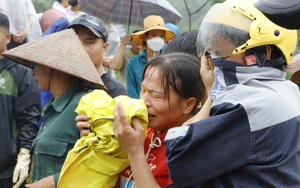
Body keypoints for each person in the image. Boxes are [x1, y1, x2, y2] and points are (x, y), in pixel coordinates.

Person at [164, 0, 300, 187]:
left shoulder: (251, 105)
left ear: (264, 54)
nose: (214, 61)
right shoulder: (288, 90)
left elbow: (178, 154)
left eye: (222, 53)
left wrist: (211, 93)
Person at [3, 29, 104, 188]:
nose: (33, 71)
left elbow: (99, 167)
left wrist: (53, 182)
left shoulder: (84, 106)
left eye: (37, 65)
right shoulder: (51, 109)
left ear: (53, 67)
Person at [113, 52, 206, 188]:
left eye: (156, 96)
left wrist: (134, 152)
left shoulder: (189, 149)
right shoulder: (140, 131)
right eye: (143, 90)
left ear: (188, 105)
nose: (144, 101)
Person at [0, 13, 41, 188]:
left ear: (7, 37)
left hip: (7, 169)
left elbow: (29, 119)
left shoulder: (21, 73)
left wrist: (24, 153)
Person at [68, 14, 127, 98]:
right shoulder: (67, 84)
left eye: (89, 42)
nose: (81, 48)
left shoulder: (114, 91)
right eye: (76, 41)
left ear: (104, 48)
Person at [126, 15, 176, 98]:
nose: (158, 39)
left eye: (161, 36)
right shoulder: (133, 63)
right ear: (145, 37)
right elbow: (131, 93)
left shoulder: (170, 61)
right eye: (154, 35)